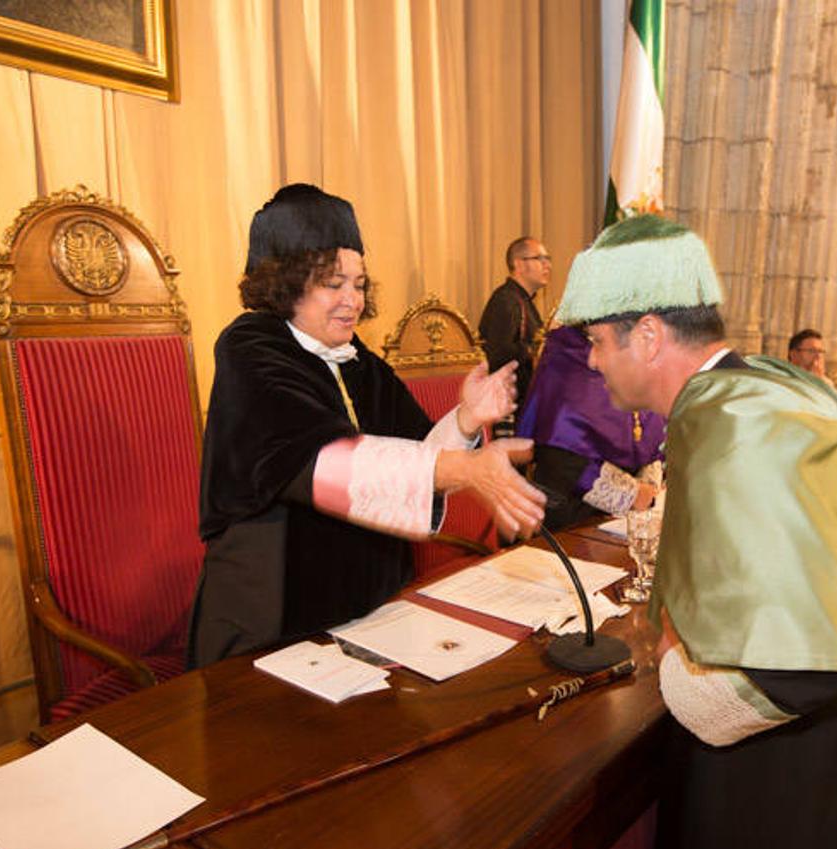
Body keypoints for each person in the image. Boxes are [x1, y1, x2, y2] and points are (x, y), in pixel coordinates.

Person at [557, 214, 837, 849]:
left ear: (647, 335)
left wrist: (672, 662)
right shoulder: (754, 384)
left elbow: (791, 677)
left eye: (594, 341)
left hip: (798, 787)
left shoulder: (730, 423)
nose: (589, 361)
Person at [189, 184, 546, 665]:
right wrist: (467, 469)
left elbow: (417, 461)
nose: (352, 301)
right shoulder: (250, 349)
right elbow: (328, 466)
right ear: (285, 282)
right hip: (275, 622)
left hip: (370, 612)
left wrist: (465, 419)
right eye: (333, 283)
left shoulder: (360, 362)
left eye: (358, 284)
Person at [515, 325, 665, 530]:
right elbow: (560, 454)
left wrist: (648, 487)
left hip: (639, 516)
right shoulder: (566, 354)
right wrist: (632, 494)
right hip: (572, 515)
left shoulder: (640, 347)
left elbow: (654, 433)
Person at [478, 236, 552, 406]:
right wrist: (536, 346)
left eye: (547, 259)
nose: (547, 265)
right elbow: (498, 355)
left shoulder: (523, 300)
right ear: (518, 264)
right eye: (539, 259)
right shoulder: (506, 301)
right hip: (509, 406)